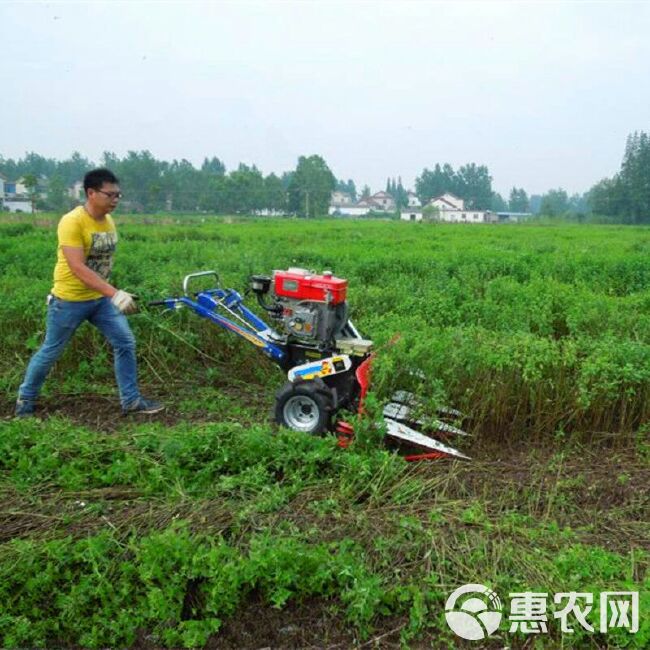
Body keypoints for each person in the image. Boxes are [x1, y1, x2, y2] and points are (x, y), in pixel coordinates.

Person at [15, 168, 164, 417]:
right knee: (51, 350)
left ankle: (131, 401)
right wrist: (114, 293)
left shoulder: (108, 220)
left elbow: (101, 262)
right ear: (91, 193)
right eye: (110, 195)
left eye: (118, 195)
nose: (115, 200)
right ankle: (25, 400)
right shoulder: (72, 221)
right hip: (69, 301)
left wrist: (110, 293)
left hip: (100, 301)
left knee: (125, 342)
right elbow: (77, 266)